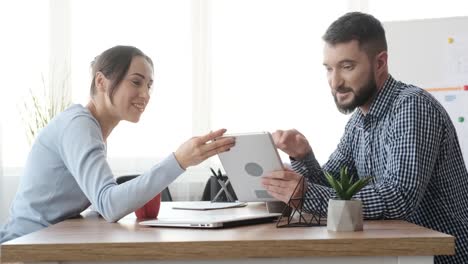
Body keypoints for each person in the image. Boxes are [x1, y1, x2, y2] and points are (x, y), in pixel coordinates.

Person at [261, 12, 468, 263]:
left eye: (347, 67)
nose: (335, 82)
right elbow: (333, 189)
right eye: (329, 68)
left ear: (380, 63)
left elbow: (398, 198)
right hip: (399, 254)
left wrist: (306, 194)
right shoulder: (357, 123)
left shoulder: (412, 107)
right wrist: (303, 157)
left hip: (441, 257)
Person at [0, 45, 235, 243]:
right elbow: (109, 204)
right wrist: (180, 160)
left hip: (44, 242)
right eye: (136, 82)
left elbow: (101, 204)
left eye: (149, 85)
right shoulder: (79, 126)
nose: (145, 94)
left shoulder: (89, 128)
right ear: (101, 81)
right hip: (23, 248)